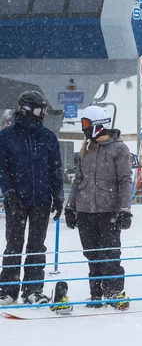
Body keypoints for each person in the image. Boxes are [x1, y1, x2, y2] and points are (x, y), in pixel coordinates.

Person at [64, 105, 132, 310]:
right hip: (86, 211)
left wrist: (124, 209)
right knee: (91, 253)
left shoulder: (119, 149)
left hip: (108, 211)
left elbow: (125, 180)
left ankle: (114, 292)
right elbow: (78, 180)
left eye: (86, 124)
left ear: (98, 126)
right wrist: (70, 206)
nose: (83, 128)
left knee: (110, 254)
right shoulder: (87, 148)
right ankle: (96, 294)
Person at [0, 91, 64, 306]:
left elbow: (56, 168)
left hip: (41, 200)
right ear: (26, 110)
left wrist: (58, 195)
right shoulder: (7, 136)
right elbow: (2, 169)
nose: (42, 114)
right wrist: (8, 192)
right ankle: (7, 289)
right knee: (14, 244)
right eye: (38, 110)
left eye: (44, 110)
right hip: (16, 200)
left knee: (37, 246)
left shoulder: (48, 137)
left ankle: (33, 289)